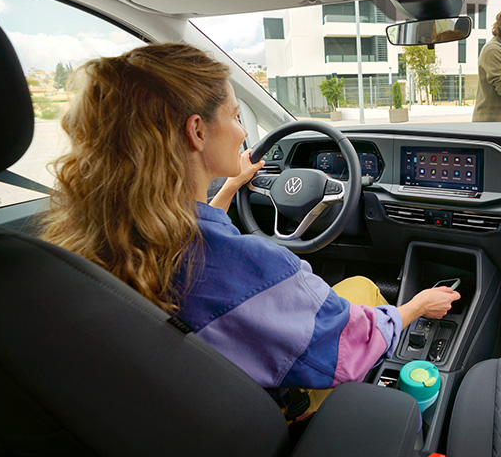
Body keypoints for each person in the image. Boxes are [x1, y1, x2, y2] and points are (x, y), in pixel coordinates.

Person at [40, 43, 459, 412]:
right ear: (197, 131)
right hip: (264, 411)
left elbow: (195, 223)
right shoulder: (258, 270)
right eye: (236, 116)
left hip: (178, 408)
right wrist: (417, 306)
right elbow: (347, 347)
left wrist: (233, 185)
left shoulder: (91, 238)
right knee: (365, 288)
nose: (243, 132)